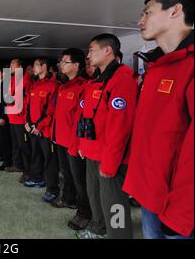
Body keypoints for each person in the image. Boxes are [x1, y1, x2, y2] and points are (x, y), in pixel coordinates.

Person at [123, 0, 194, 239]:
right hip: (151, 193)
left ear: (175, 10)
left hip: (178, 206)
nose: (141, 20)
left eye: (147, 13)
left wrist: (182, 212)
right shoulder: (157, 65)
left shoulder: (190, 64)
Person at [73, 34, 137, 239]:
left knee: (114, 201)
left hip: (110, 157)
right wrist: (82, 145)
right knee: (95, 195)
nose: (88, 55)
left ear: (107, 50)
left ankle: (119, 236)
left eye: (92, 50)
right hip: (93, 152)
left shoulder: (122, 80)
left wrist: (109, 163)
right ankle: (98, 229)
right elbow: (89, 118)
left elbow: (120, 128)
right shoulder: (97, 80)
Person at [52, 48, 92, 231]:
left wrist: (77, 145)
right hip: (61, 139)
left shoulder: (83, 86)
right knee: (66, 174)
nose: (61, 64)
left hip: (74, 143)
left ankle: (85, 213)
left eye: (65, 62)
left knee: (80, 180)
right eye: (61, 62)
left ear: (76, 65)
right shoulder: (63, 86)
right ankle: (68, 199)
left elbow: (82, 120)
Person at [24, 58, 59, 202]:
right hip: (33, 129)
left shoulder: (53, 85)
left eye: (36, 65)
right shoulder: (34, 84)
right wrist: (27, 122)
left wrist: (38, 126)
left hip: (45, 131)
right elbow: (28, 105)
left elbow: (50, 110)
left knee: (50, 160)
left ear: (44, 66)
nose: (34, 68)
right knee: (35, 155)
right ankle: (37, 178)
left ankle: (52, 189)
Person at [5, 58, 32, 181]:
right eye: (10, 63)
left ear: (20, 67)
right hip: (12, 117)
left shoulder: (25, 79)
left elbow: (25, 100)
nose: (11, 66)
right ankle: (18, 165)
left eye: (13, 64)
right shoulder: (12, 79)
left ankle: (28, 171)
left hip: (21, 119)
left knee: (24, 146)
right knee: (15, 144)